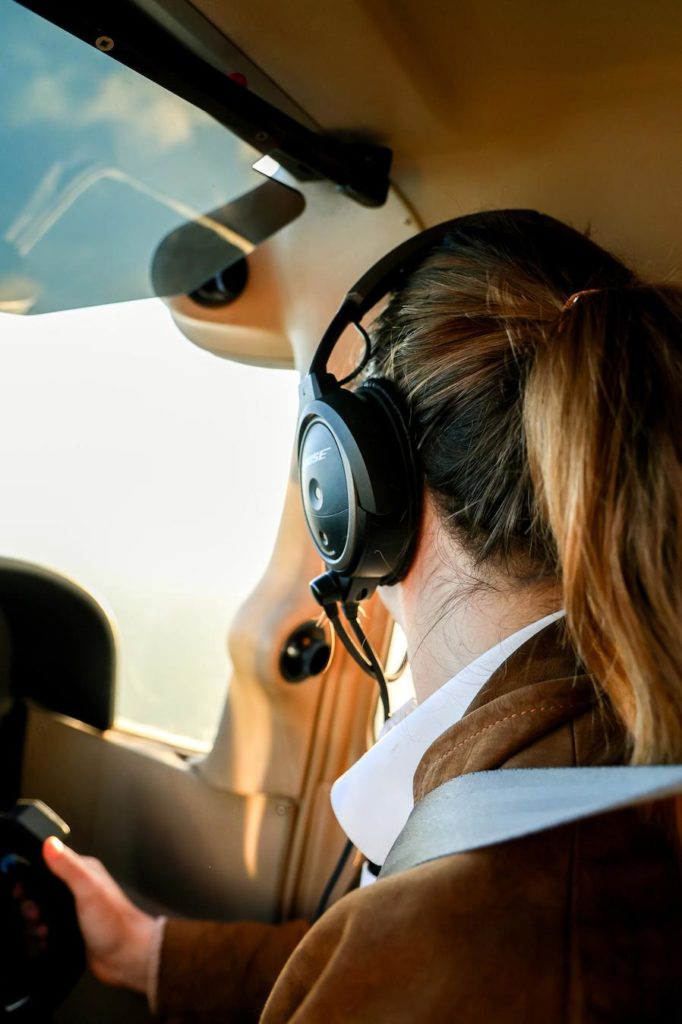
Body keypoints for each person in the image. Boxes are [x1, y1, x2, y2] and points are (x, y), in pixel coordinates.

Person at [44, 210, 682, 1021]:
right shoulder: (595, 750)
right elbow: (377, 953)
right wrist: (151, 954)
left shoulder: (480, 933)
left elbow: (419, 955)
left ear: (360, 496)